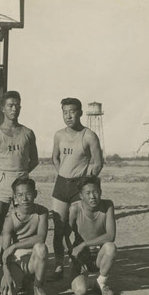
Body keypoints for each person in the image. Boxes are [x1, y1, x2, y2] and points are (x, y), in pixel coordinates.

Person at [0, 91, 39, 279]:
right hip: (2, 181)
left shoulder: (27, 133)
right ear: (3, 108)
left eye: (16, 105)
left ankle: (17, 262)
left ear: (20, 107)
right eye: (10, 105)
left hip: (21, 182)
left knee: (21, 223)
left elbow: (34, 160)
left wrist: (21, 177)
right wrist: (1, 176)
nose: (13, 108)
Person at [50, 98, 103, 281]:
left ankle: (77, 262)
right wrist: (63, 174)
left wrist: (86, 181)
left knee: (78, 228)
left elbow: (98, 162)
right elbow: (55, 158)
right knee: (59, 227)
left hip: (79, 186)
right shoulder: (58, 135)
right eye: (65, 112)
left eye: (72, 111)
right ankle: (58, 263)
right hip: (61, 184)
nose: (68, 116)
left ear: (80, 112)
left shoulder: (89, 135)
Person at [0, 177, 51, 295]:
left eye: (28, 194)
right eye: (20, 195)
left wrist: (15, 245)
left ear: (35, 194)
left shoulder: (42, 212)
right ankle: (24, 280)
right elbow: (5, 252)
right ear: (15, 197)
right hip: (17, 262)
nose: (25, 199)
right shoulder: (10, 218)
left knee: (41, 248)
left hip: (34, 259)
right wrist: (6, 273)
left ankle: (37, 286)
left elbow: (41, 238)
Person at [66, 176, 116, 295]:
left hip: (99, 255)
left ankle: (100, 283)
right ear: (81, 195)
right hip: (81, 257)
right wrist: (73, 255)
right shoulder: (75, 209)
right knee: (81, 291)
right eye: (87, 193)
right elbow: (64, 235)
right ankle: (77, 278)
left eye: (95, 192)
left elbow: (111, 235)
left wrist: (84, 244)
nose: (92, 196)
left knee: (110, 247)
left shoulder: (107, 205)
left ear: (101, 192)